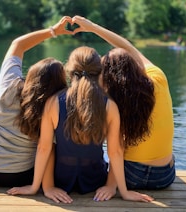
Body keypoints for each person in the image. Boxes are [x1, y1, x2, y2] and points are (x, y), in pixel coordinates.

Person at [7, 43, 153, 202]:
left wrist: (38, 187)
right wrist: (119, 190)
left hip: (60, 180)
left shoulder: (53, 102)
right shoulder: (110, 106)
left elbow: (44, 148)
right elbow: (116, 151)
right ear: (99, 72)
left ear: (69, 72)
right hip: (95, 181)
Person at [0, 16, 73, 199]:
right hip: (22, 176)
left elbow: (18, 44)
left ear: (31, 73)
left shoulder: (7, 84)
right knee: (51, 143)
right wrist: (46, 188)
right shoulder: (53, 107)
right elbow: (46, 150)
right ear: (59, 85)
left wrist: (53, 31)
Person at [72, 16, 175, 190]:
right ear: (134, 65)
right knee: (170, 156)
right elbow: (128, 47)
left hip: (130, 176)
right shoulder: (158, 78)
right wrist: (94, 27)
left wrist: (111, 186)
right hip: (164, 178)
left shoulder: (114, 102)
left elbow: (116, 149)